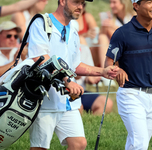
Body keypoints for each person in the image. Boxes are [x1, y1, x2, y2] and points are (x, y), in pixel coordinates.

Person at [27, 0, 119, 150]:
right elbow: (40, 58)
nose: (80, 7)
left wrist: (102, 71)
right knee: (39, 148)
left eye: (83, 3)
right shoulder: (41, 23)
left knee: (79, 144)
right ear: (62, 1)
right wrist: (67, 81)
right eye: (76, 2)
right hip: (44, 100)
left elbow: (75, 66)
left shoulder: (74, 32)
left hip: (68, 102)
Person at [104, 0, 152, 150]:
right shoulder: (122, 33)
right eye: (149, 2)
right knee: (140, 143)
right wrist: (118, 70)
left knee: (137, 142)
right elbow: (109, 63)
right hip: (130, 94)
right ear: (136, 6)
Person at [76, 44, 113, 115]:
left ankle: (91, 124)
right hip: (65, 91)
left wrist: (90, 79)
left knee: (106, 103)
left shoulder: (84, 49)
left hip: (82, 91)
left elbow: (87, 76)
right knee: (77, 106)